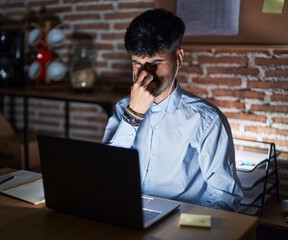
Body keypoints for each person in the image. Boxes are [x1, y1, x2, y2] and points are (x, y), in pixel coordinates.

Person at [102, 8, 243, 211]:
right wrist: (133, 115)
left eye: (155, 63)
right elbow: (105, 173)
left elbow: (226, 198)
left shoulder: (207, 119)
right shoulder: (123, 108)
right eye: (137, 64)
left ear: (179, 57)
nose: (145, 73)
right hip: (126, 214)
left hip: (181, 222)